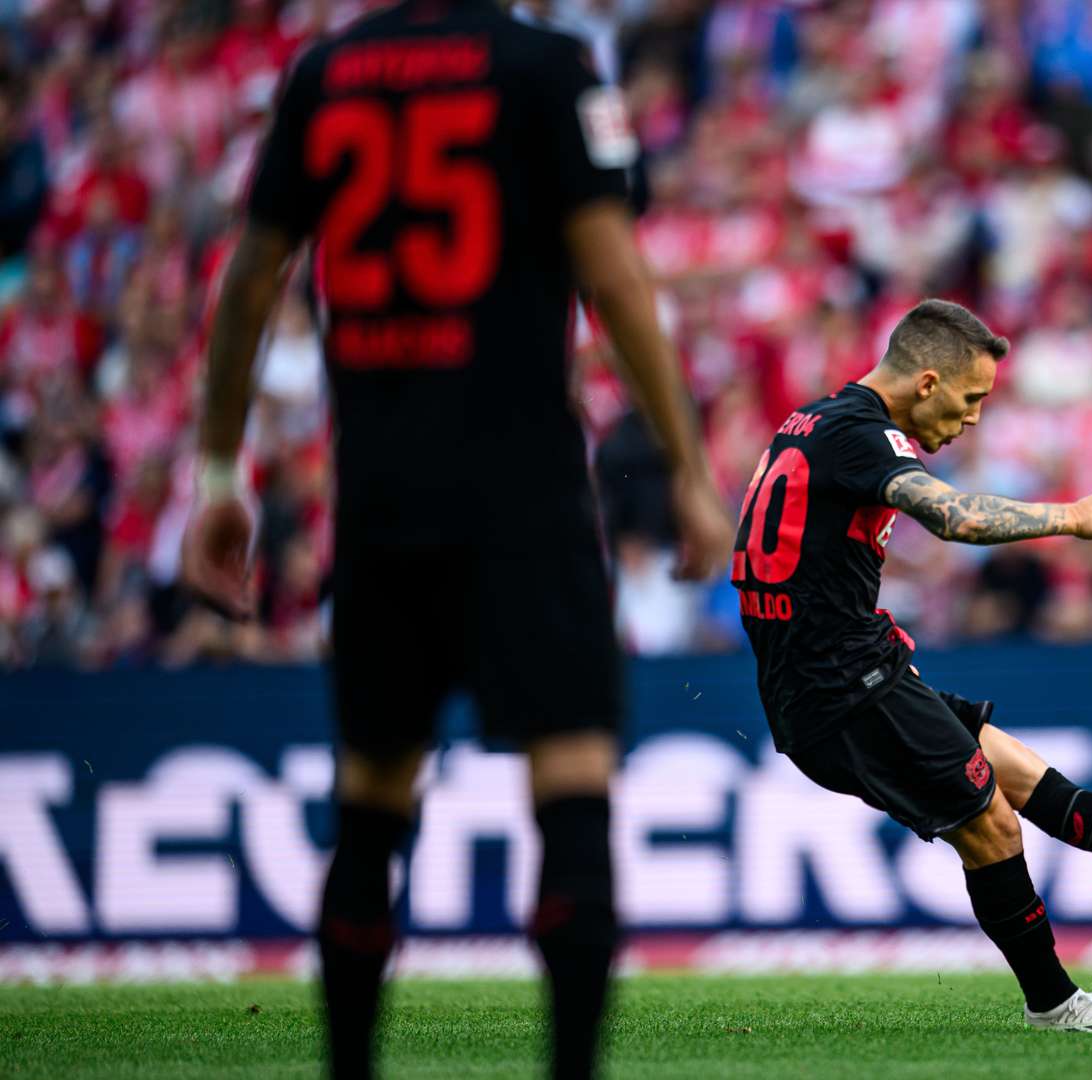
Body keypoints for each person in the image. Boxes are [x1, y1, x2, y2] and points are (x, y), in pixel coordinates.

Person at [178, 6, 735, 1077]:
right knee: (570, 775)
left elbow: (251, 277)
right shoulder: (548, 68)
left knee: (373, 798)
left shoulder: (325, 72)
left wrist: (216, 474)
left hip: (379, 488)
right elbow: (612, 274)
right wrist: (688, 466)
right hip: (524, 480)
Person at [734, 298, 1092, 1033]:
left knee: (1038, 788)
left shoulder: (809, 421)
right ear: (927, 382)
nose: (975, 417)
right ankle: (1053, 1002)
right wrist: (1067, 517)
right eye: (972, 396)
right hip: (845, 687)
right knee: (993, 828)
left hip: (850, 673)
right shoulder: (866, 436)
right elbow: (956, 518)